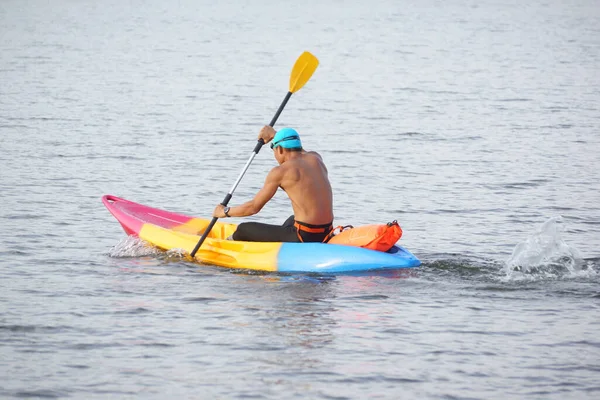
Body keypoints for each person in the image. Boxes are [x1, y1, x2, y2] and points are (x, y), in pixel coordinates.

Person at [212, 126, 334, 242]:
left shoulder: (280, 172)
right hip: (325, 231)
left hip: (304, 236)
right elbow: (298, 149)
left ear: (279, 149)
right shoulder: (316, 158)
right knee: (292, 219)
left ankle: (226, 244)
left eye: (274, 150)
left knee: (243, 229)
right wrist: (274, 135)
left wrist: (224, 211)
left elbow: (253, 207)